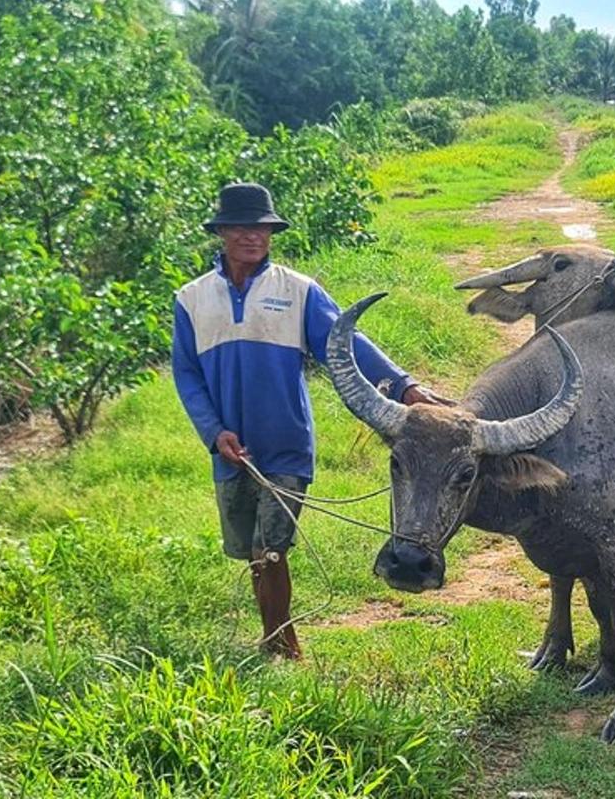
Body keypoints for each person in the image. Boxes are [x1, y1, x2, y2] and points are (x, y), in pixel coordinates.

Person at [172, 182, 445, 659]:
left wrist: (403, 385)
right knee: (251, 553)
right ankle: (273, 635)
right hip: (230, 450)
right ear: (222, 233)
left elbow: (346, 344)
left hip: (285, 445)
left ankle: (283, 644)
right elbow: (187, 374)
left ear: (271, 234)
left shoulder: (298, 292)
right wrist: (214, 434)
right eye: (241, 228)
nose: (252, 237)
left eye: (262, 229)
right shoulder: (192, 299)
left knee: (271, 549)